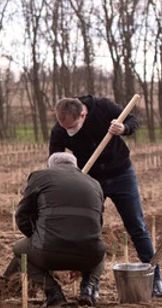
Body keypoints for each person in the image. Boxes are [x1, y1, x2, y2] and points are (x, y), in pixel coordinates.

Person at [50, 95, 161, 297]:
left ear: (83, 114)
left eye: (73, 127)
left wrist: (123, 129)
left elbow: (133, 120)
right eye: (65, 128)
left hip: (122, 174)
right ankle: (90, 284)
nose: (68, 132)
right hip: (91, 181)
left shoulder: (102, 106)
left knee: (136, 225)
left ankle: (155, 280)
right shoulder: (59, 130)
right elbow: (54, 162)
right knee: (89, 230)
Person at [8, 152, 106, 307]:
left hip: (47, 251)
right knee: (100, 250)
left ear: (50, 166)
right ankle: (88, 289)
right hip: (88, 254)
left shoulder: (39, 177)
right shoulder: (95, 183)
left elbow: (22, 215)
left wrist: (34, 236)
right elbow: (97, 225)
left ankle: (53, 293)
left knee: (19, 249)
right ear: (75, 167)